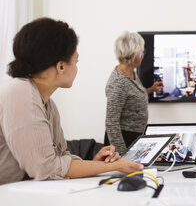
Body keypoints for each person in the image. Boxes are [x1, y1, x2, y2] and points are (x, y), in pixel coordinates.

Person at [0, 18, 144, 185]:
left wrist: (96, 163)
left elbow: (61, 158)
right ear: (61, 67)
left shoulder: (48, 105)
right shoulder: (19, 92)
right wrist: (115, 166)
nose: (77, 67)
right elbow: (47, 169)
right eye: (76, 61)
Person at [104, 32, 163, 155]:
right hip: (123, 140)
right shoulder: (118, 82)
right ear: (133, 54)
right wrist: (121, 155)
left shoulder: (131, 73)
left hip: (134, 137)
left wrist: (149, 90)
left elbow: (130, 96)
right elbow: (111, 122)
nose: (143, 55)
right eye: (141, 51)